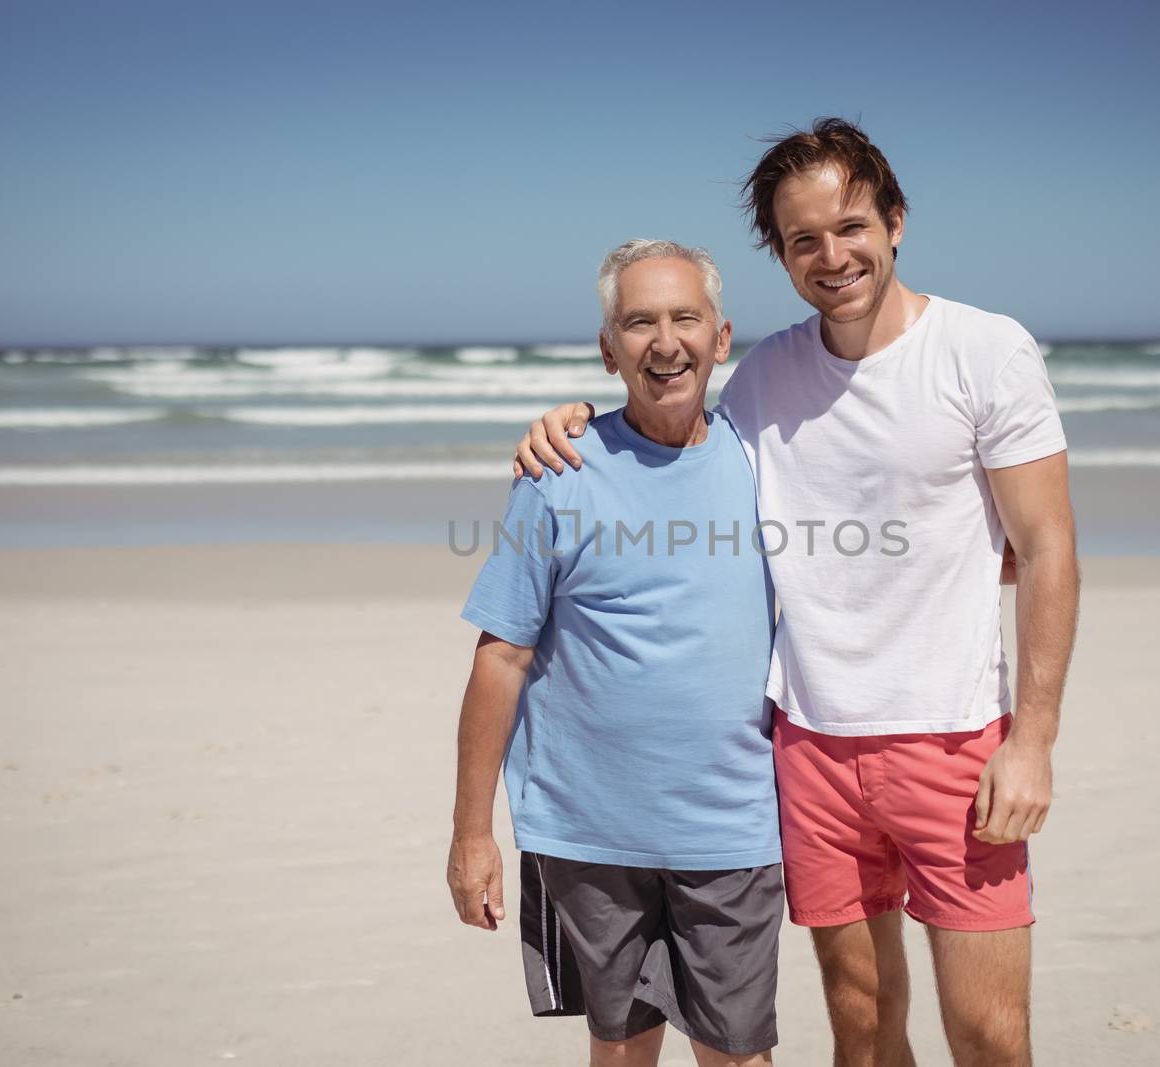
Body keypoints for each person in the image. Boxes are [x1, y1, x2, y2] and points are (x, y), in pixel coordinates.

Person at [515, 119, 1079, 1067]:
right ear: (780, 254)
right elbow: (669, 428)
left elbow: (1049, 550)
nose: (832, 255)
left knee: (988, 1033)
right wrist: (574, 420)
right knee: (860, 1023)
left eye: (851, 225)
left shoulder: (987, 350)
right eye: (802, 239)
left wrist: (1034, 743)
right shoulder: (766, 376)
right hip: (809, 747)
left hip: (956, 739)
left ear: (895, 220)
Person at [448, 239, 784, 1066]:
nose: (663, 342)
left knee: (738, 1053)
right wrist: (471, 834)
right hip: (588, 831)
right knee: (622, 1048)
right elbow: (501, 657)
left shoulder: (768, 459)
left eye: (684, 318)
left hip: (732, 827)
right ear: (608, 349)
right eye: (638, 322)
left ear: (721, 336)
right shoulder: (557, 470)